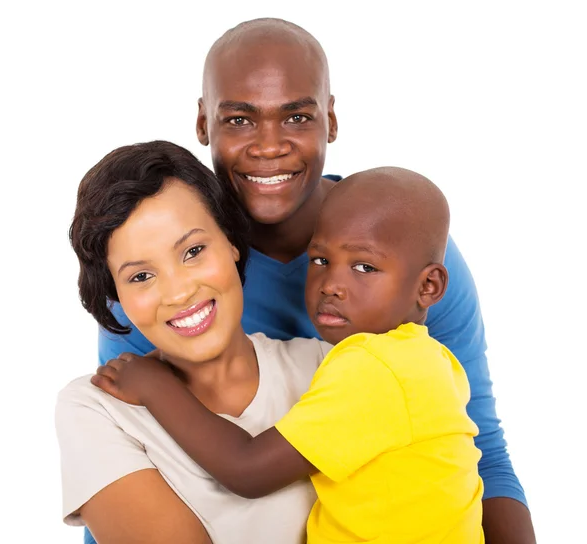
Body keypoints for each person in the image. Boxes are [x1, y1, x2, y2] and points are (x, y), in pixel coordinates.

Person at [97, 18, 535, 544]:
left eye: (297, 116)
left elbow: (477, 447)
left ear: (329, 119)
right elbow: (126, 462)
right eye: (238, 119)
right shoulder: (154, 281)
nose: (269, 146)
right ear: (202, 123)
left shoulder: (408, 258)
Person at [94, 166, 485, 543]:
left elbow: (247, 470)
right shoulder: (425, 360)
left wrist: (155, 386)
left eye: (364, 266)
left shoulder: (380, 370)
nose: (331, 284)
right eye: (320, 261)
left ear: (429, 286)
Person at [56, 140, 334, 544]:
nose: (179, 292)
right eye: (140, 276)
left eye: (193, 251)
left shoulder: (331, 369)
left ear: (233, 243)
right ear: (117, 297)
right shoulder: (97, 409)